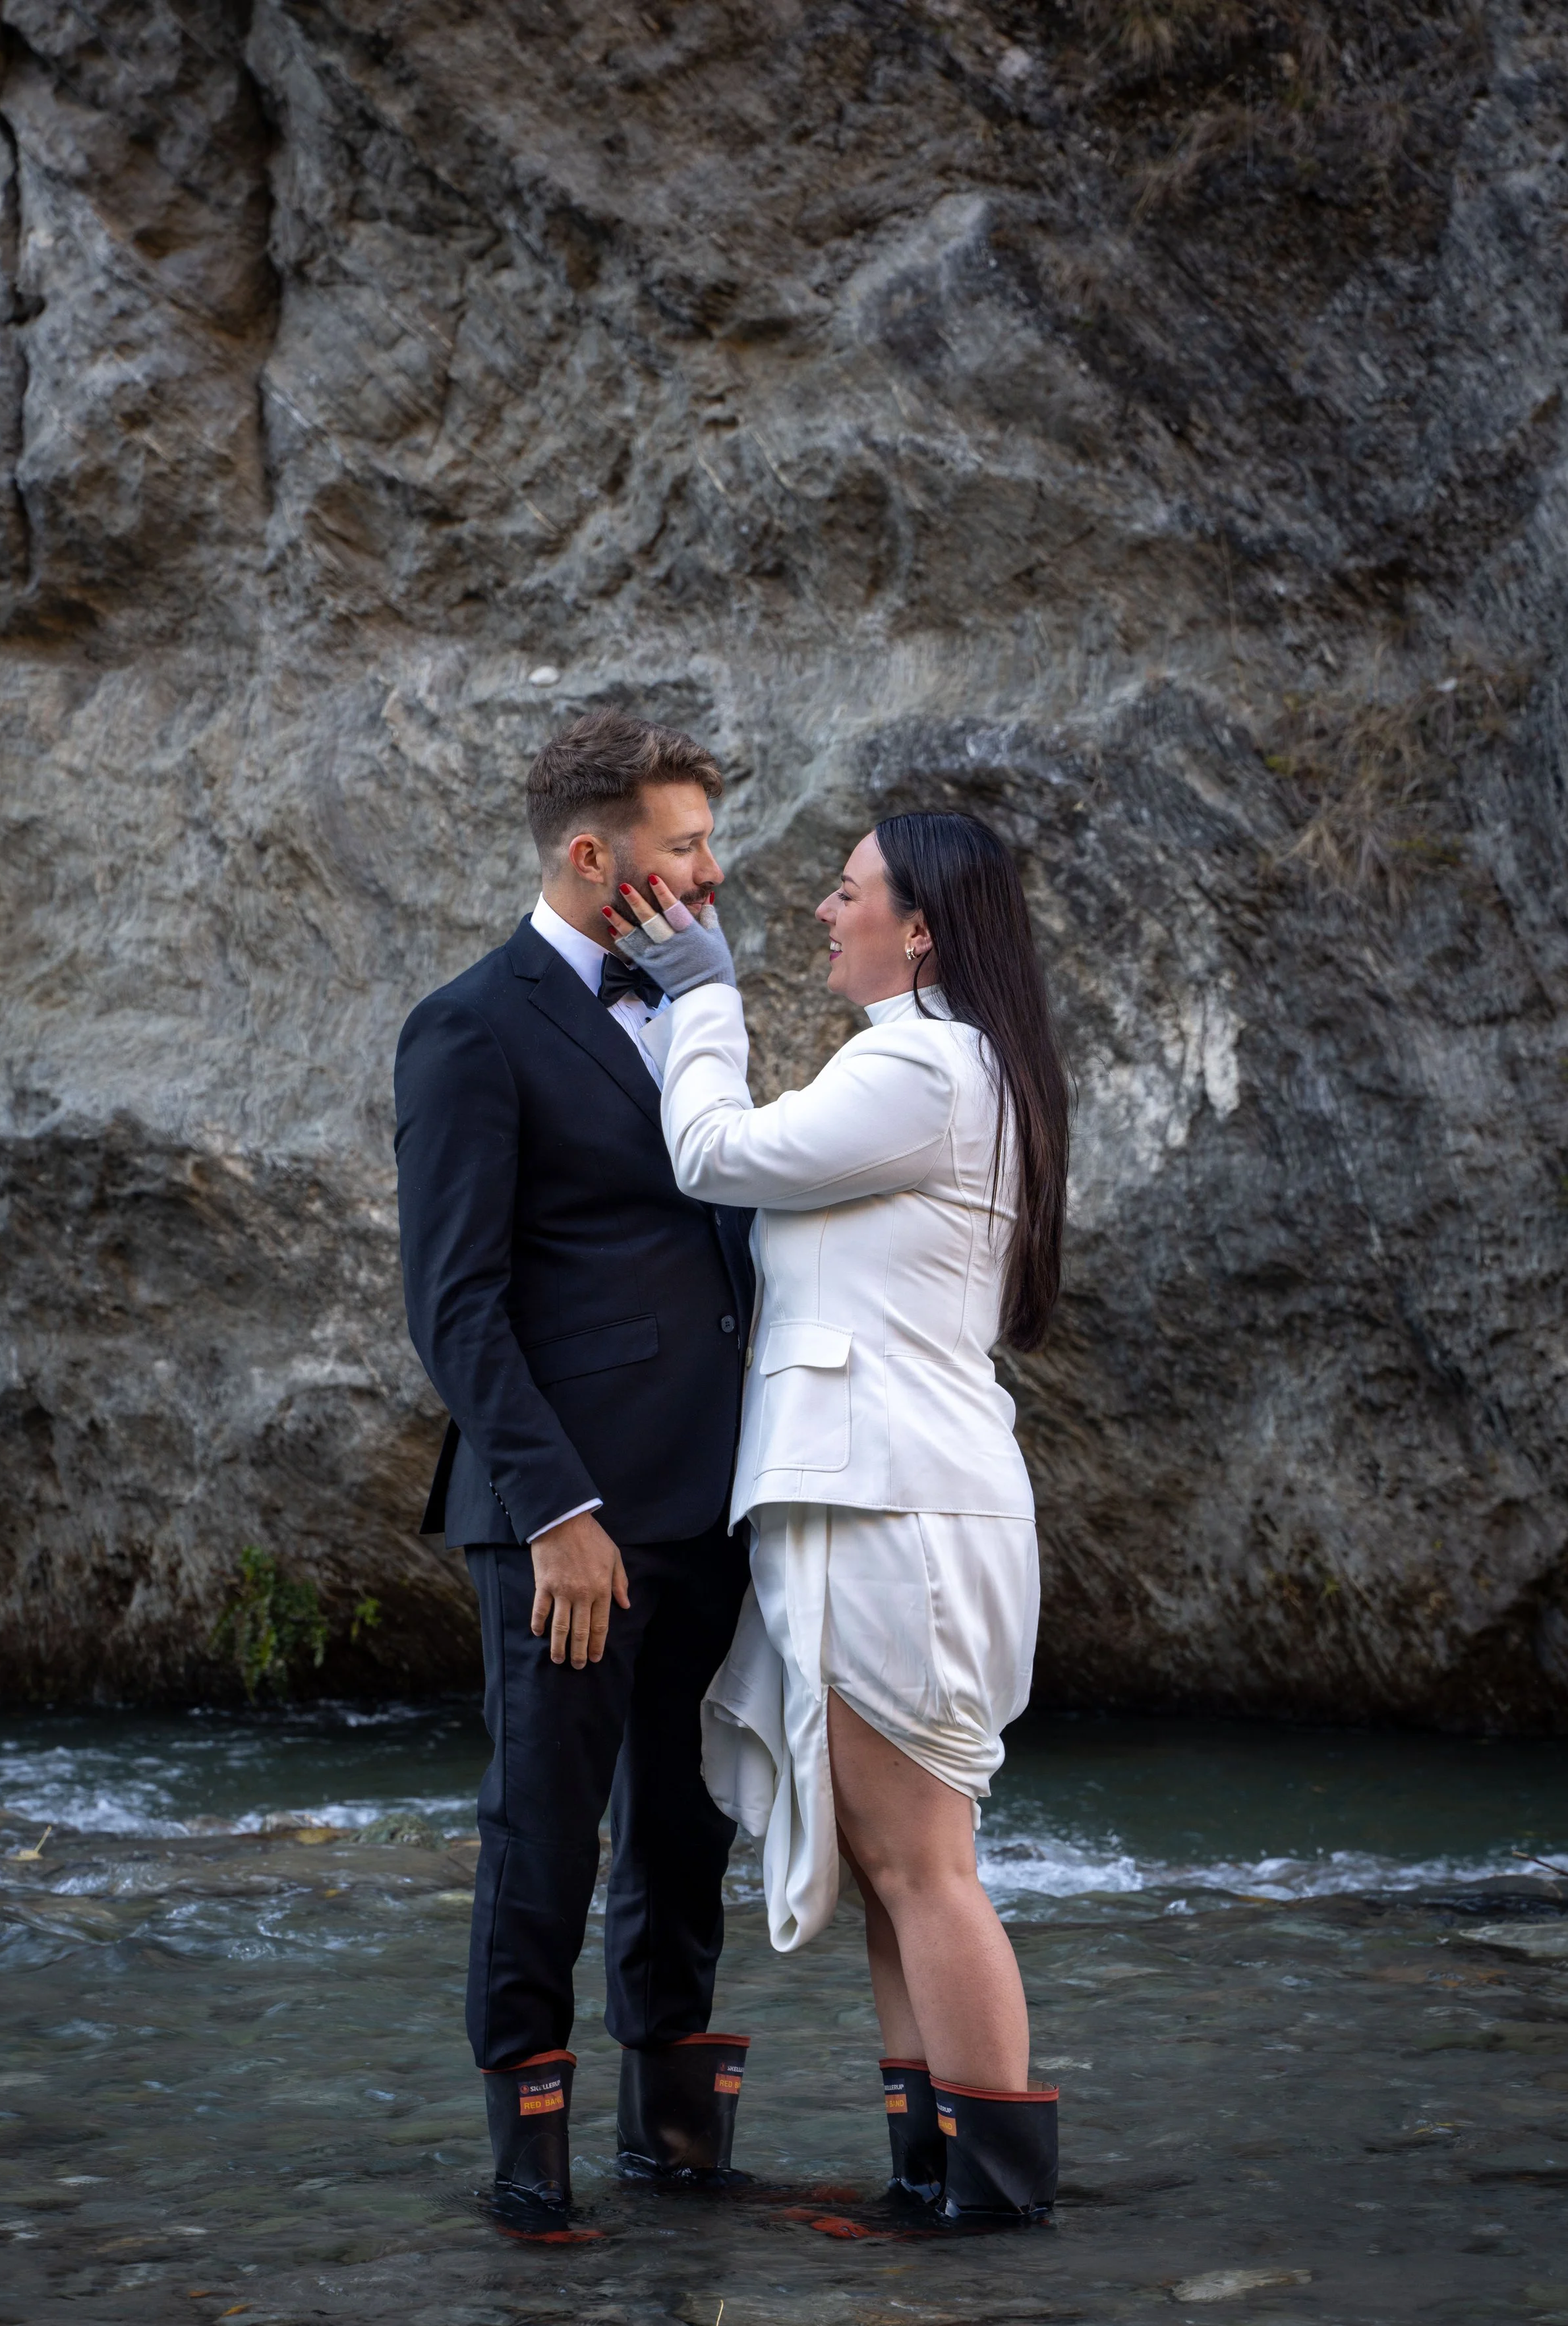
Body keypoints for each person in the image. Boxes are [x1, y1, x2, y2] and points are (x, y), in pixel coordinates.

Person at [605, 810, 1070, 2228]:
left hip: (894, 1506)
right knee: (893, 1868)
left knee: (921, 1864)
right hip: (887, 1496)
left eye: (848, 890)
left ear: (918, 924)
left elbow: (713, 1152)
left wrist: (701, 995)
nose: (821, 907)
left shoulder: (923, 1064)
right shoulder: (946, 1063)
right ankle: (928, 2179)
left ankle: (993, 2201)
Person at [393, 710, 756, 2231]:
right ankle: (526, 2179)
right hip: (566, 1520)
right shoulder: (468, 1026)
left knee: (686, 1829)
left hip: (714, 1496)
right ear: (590, 852)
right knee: (544, 1829)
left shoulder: (694, 994)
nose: (710, 868)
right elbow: (452, 1300)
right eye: (682, 844)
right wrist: (555, 1509)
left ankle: (672, 2154)